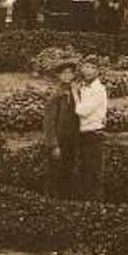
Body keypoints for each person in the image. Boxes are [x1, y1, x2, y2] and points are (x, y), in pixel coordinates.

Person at [72, 59, 108, 200]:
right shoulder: (84, 87)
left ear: (98, 71)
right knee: (84, 171)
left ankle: (95, 204)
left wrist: (75, 94)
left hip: (93, 135)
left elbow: (82, 111)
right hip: (83, 134)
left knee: (93, 173)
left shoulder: (99, 90)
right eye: (85, 67)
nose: (87, 70)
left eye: (92, 67)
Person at [43, 60, 80, 198]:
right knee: (55, 173)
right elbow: (49, 123)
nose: (67, 76)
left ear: (73, 75)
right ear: (59, 76)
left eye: (70, 73)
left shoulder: (76, 94)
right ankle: (51, 201)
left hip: (72, 140)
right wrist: (54, 145)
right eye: (64, 73)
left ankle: (66, 201)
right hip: (59, 140)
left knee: (68, 171)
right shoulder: (55, 96)